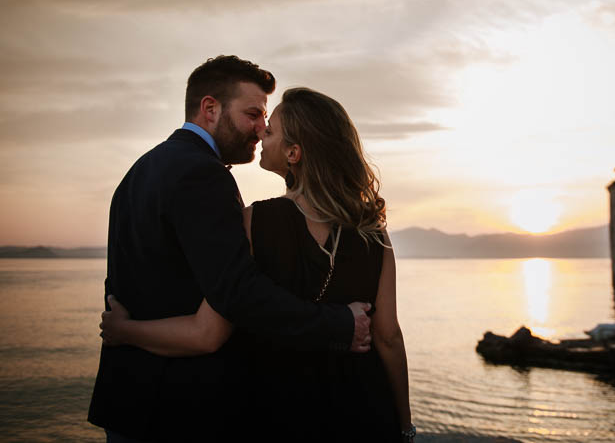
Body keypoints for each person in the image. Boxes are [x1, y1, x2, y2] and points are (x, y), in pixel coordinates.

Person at [100, 87, 416, 442]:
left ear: (293, 153)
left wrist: (124, 330)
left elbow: (208, 332)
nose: (262, 131)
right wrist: (404, 426)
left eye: (272, 128)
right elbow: (389, 337)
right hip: (366, 413)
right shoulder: (374, 232)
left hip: (281, 413)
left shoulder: (255, 221)